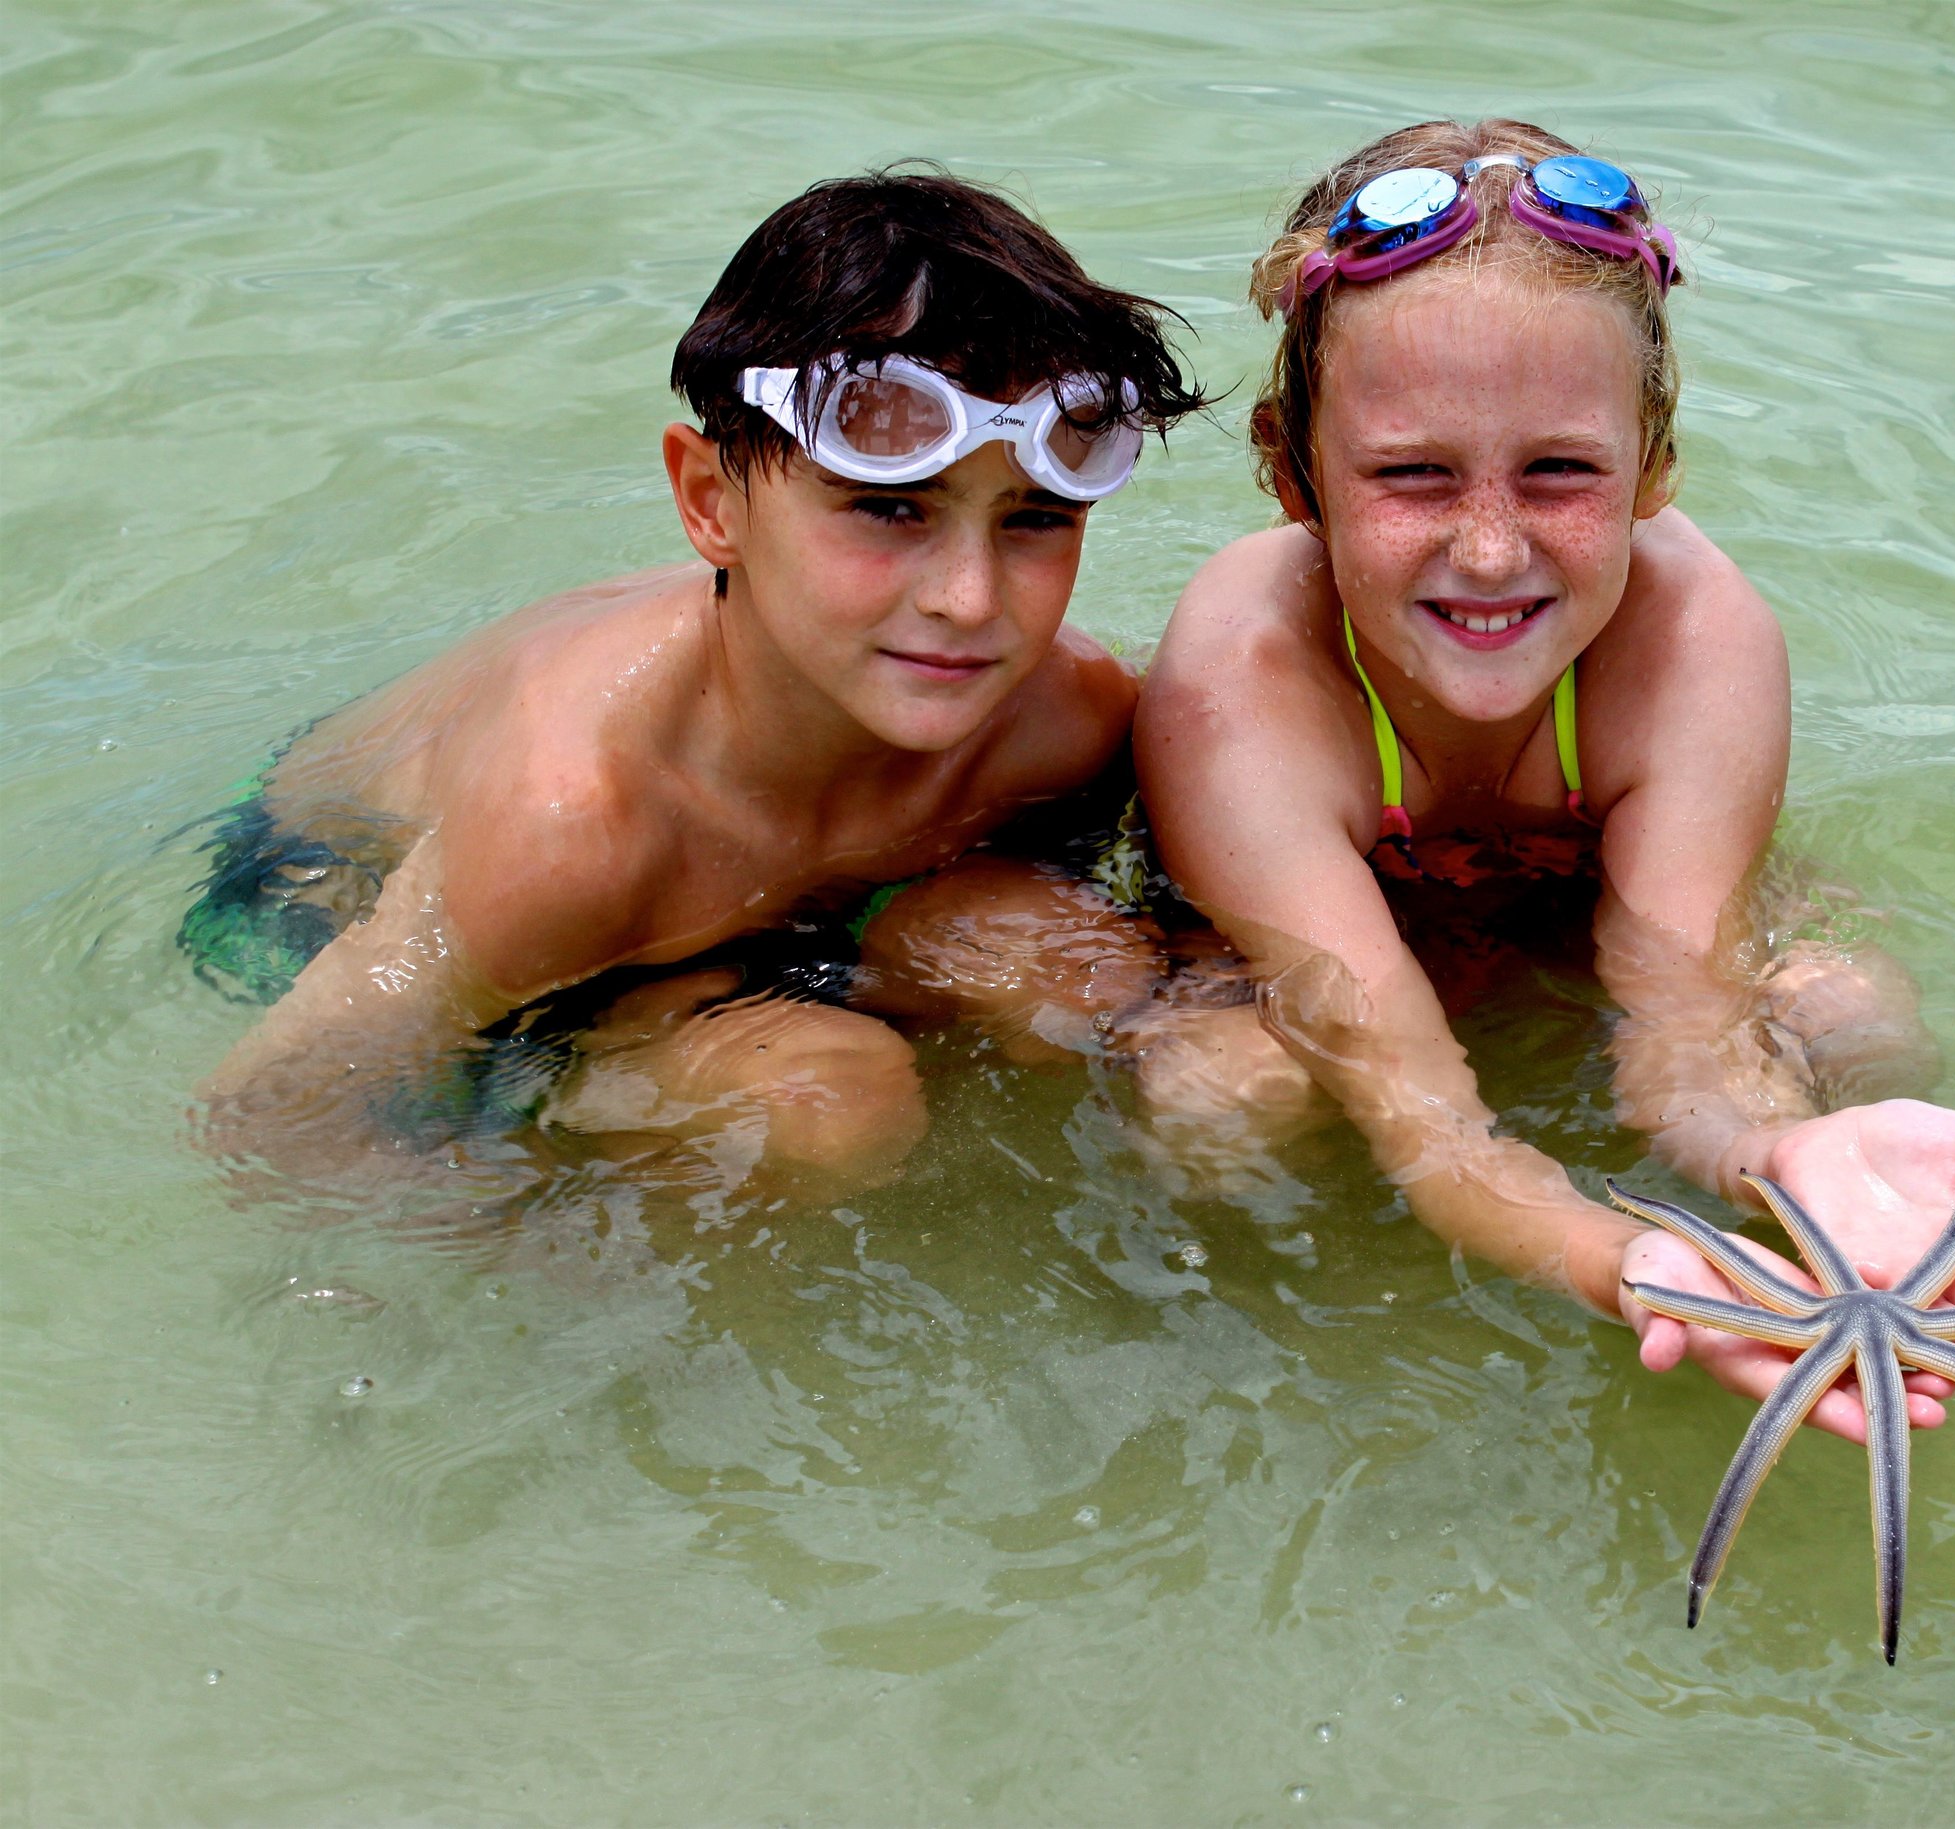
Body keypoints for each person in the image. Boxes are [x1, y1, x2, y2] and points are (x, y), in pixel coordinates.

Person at [1131, 120, 1955, 1442]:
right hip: (1334, 950)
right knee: (1219, 1098)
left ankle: (1863, 1236)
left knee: (1854, 1008)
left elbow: (1683, 1023)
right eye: (1411, 475)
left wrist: (1774, 1155)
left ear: (1656, 461)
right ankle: (1306, 1359)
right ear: (1292, 470)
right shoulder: (1240, 676)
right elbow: (1426, 1116)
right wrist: (1624, 1262)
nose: (1487, 547)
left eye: (1561, 471)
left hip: (1575, 905)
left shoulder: (1699, 637)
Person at [187, 171, 1199, 1191]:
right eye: (890, 510)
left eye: (1033, 520)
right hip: (336, 892)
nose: (970, 600)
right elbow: (269, 1115)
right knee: (828, 1104)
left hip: (798, 907)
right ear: (710, 500)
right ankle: (591, 1093)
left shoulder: (1066, 722)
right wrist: (499, 1212)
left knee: (1085, 978)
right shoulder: (571, 824)